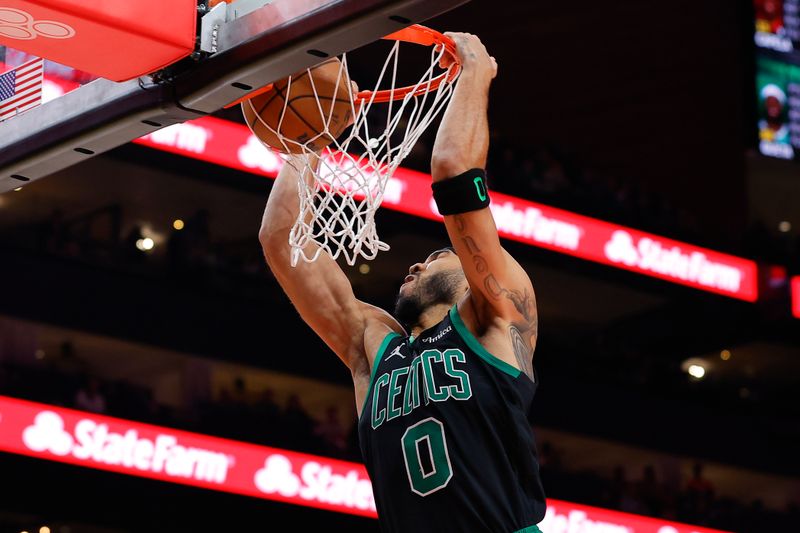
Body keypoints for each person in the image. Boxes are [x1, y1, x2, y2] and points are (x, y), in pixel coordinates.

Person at [259, 32, 546, 532]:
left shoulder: (498, 318)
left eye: (438, 255)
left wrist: (475, 69)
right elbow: (281, 240)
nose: (415, 265)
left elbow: (454, 169)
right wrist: (309, 141)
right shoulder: (373, 345)